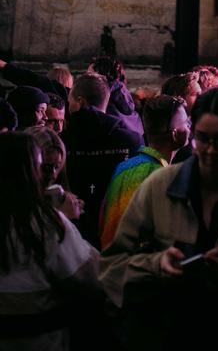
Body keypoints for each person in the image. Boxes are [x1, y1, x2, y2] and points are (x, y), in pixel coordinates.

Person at [99, 87, 218, 350]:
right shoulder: (159, 187)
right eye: (203, 139)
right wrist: (157, 265)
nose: (211, 150)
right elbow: (111, 267)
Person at [0, 133, 100, 351]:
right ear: (29, 170)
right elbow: (91, 278)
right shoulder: (46, 223)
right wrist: (66, 221)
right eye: (42, 167)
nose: (50, 175)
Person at [99, 95, 191, 249]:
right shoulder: (164, 179)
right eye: (186, 123)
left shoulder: (122, 168)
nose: (189, 127)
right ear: (174, 134)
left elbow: (102, 220)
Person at [63, 73, 140, 247]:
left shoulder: (62, 140)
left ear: (80, 101)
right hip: (118, 231)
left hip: (73, 232)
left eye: (70, 102)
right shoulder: (132, 140)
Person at [25, 125, 84, 222]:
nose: (54, 175)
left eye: (57, 167)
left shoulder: (60, 195)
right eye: (46, 167)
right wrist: (63, 216)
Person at [88, 57, 144, 142]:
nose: (85, 79)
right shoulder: (124, 94)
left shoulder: (104, 102)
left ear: (101, 77)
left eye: (90, 75)